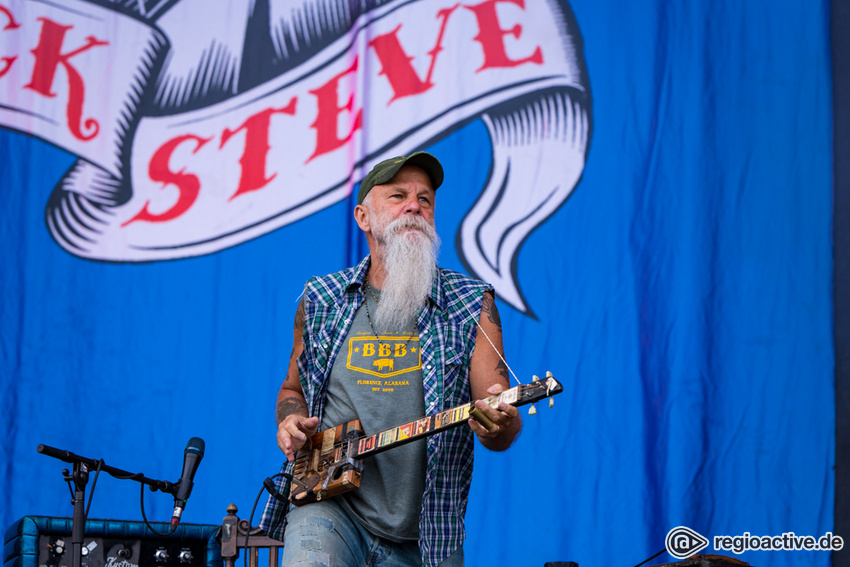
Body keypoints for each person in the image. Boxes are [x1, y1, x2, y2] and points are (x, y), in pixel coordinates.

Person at [259, 152, 522, 567]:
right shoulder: (321, 299)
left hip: (428, 530)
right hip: (329, 504)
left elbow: (500, 423)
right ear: (364, 217)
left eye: (425, 199)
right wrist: (289, 421)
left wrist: (499, 423)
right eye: (398, 196)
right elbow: (293, 389)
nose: (414, 206)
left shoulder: (473, 303)